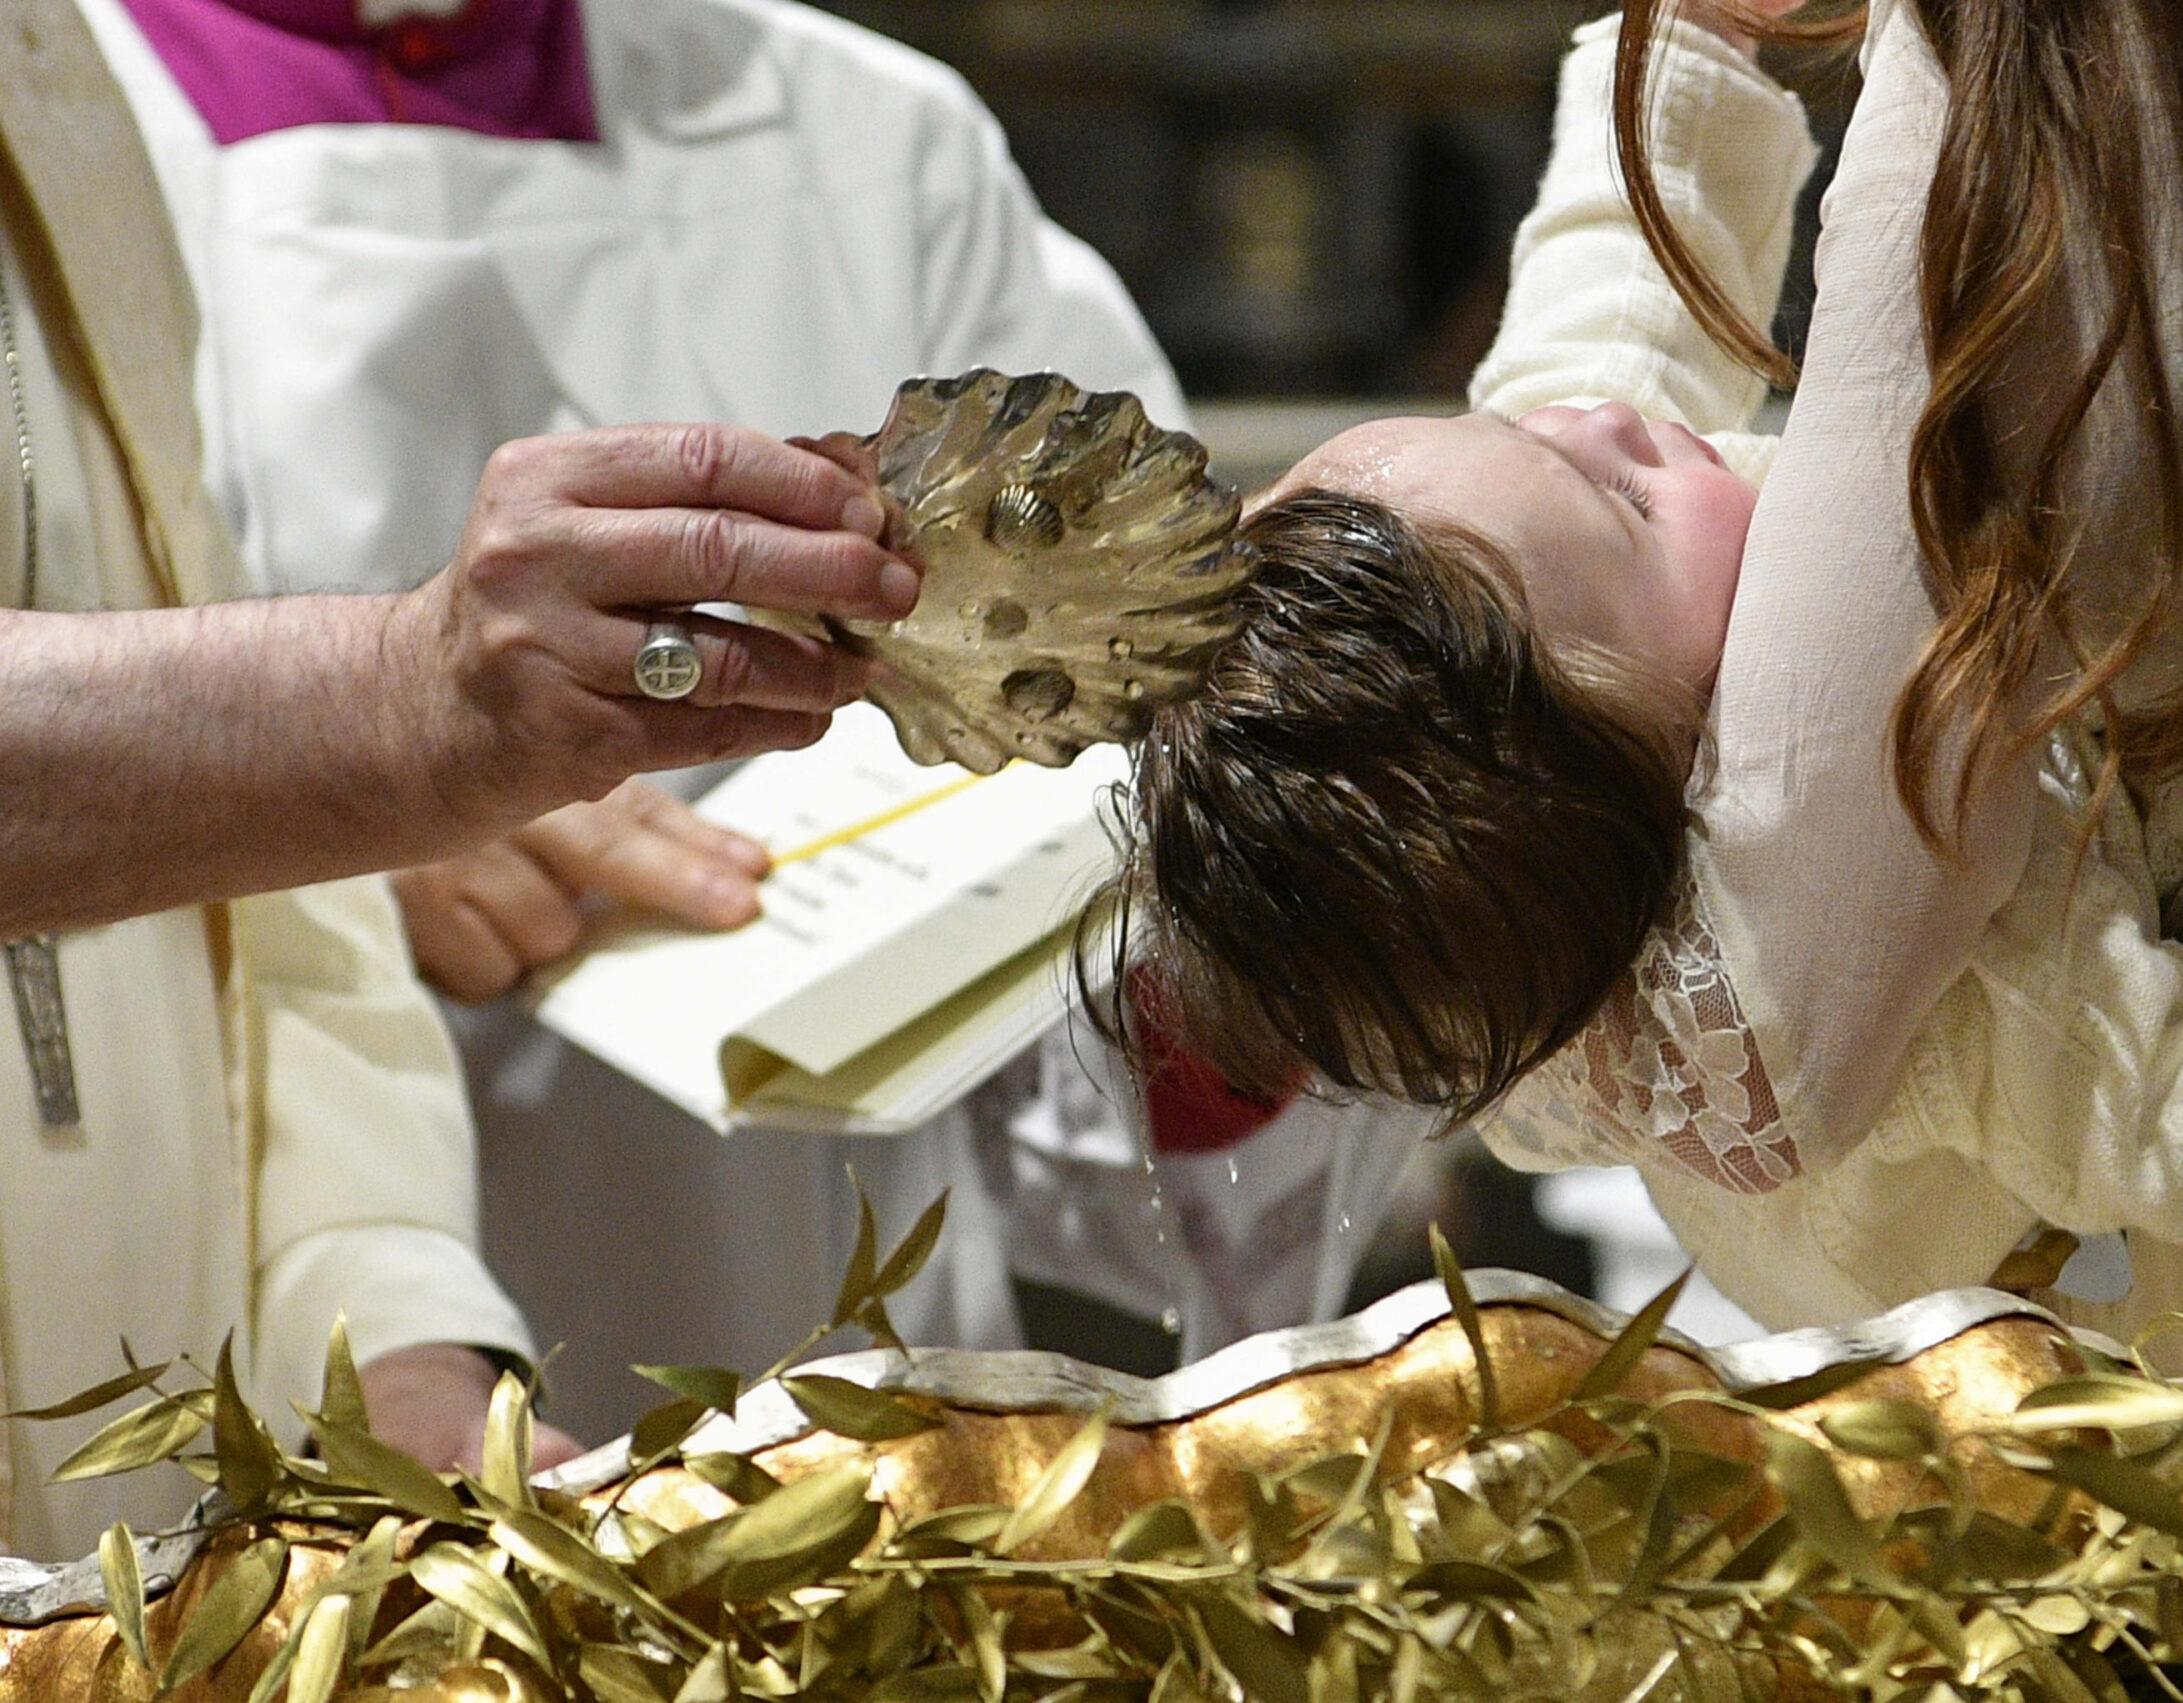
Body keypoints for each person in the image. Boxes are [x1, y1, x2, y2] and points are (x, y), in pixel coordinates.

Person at [73, 0, 1447, 1432]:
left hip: (817, 1328)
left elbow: (1136, 760)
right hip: (205, 1328)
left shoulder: (865, 140)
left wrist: (1246, 918)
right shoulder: (54, 130)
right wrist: (315, 800)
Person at [1369, 0, 2183, 1387]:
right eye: (1625, 500)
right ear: (1678, 744)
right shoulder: (1962, 972)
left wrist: (1686, 51)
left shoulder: (1561, 627)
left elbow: (1591, 339)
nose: (1607, 422)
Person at [0, 0, 923, 1557]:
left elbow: (256, 944)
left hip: (156, 1545)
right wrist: (391, 707)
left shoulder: (41, 72)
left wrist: (387, 1345)